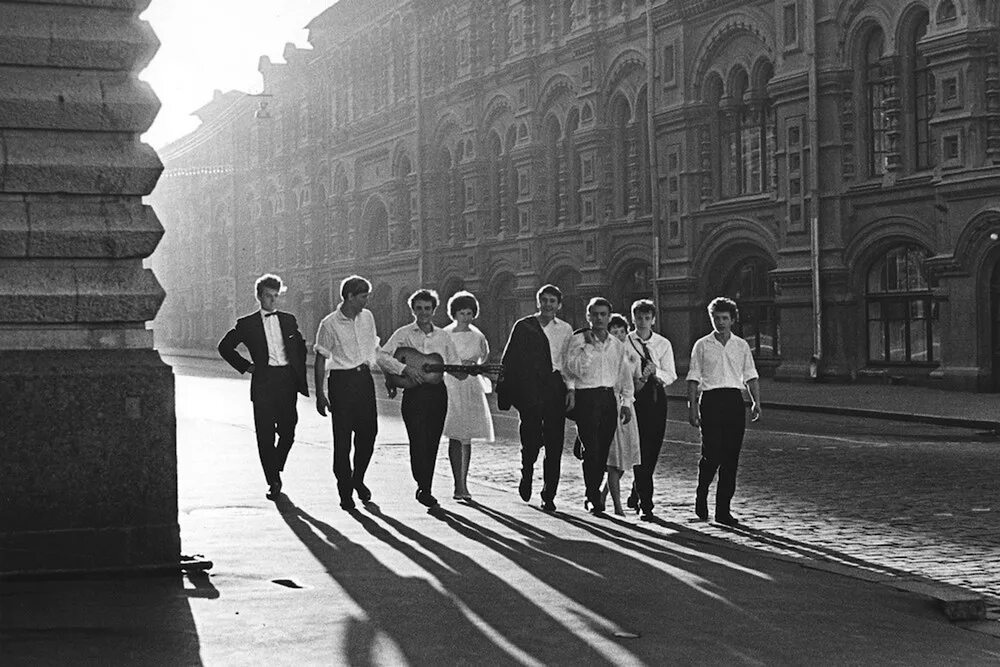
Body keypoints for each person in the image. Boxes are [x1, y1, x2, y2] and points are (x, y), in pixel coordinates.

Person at [313, 275, 405, 510]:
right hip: (341, 383)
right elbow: (321, 359)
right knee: (343, 441)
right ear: (350, 296)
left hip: (364, 380)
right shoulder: (329, 323)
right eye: (363, 296)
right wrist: (321, 394)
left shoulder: (368, 317)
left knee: (369, 434)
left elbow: (373, 349)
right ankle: (345, 491)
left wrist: (387, 376)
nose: (366, 301)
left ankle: (358, 479)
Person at [218, 274, 309, 500]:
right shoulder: (247, 324)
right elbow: (225, 347)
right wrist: (247, 366)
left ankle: (275, 466)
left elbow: (300, 346)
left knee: (288, 431)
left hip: (286, 381)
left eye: (276, 296)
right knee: (265, 435)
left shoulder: (289, 320)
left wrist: (296, 369)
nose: (272, 301)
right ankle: (273, 480)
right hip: (264, 382)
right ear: (259, 297)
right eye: (268, 296)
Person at [382, 289, 465, 508]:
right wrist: (404, 368)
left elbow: (454, 363)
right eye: (419, 308)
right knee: (417, 440)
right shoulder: (403, 333)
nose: (423, 313)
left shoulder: (443, 337)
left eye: (427, 308)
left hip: (437, 394)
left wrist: (465, 371)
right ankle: (422, 484)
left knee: (432, 441)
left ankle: (425, 487)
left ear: (434, 310)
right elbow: (381, 356)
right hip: (413, 393)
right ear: (413, 310)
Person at [496, 284, 574, 512]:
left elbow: (567, 363)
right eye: (544, 300)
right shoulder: (524, 327)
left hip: (554, 386)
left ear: (559, 305)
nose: (548, 305)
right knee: (530, 438)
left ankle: (549, 494)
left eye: (553, 301)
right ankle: (527, 470)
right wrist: (507, 390)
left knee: (554, 442)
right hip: (529, 388)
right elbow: (509, 360)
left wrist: (570, 390)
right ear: (538, 302)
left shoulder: (565, 329)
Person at [686, 296, 761, 526]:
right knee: (712, 454)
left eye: (725, 318)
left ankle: (723, 510)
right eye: (716, 318)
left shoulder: (741, 345)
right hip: (711, 400)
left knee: (731, 457)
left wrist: (756, 402)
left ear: (732, 320)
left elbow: (750, 375)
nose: (720, 323)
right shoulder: (702, 345)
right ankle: (702, 492)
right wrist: (692, 407)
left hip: (733, 401)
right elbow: (693, 378)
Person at [564, 297, 634, 515]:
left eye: (603, 314)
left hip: (607, 399)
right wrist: (589, 348)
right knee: (591, 449)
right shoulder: (578, 340)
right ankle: (592, 494)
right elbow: (571, 369)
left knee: (603, 450)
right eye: (595, 314)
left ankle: (593, 491)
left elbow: (624, 375)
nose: (599, 318)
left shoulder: (617, 345)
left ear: (609, 317)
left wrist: (626, 402)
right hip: (587, 398)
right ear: (588, 317)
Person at [624, 299, 677, 521]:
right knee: (639, 448)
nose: (643, 322)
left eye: (647, 318)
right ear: (633, 318)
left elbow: (671, 374)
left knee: (652, 449)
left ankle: (638, 487)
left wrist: (656, 373)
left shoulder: (663, 344)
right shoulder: (626, 342)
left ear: (653, 320)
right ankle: (647, 503)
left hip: (656, 397)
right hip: (635, 396)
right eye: (639, 318)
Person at [442, 291, 495, 501]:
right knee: (456, 433)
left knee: (468, 436)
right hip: (453, 385)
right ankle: (458, 484)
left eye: (469, 313)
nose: (466, 317)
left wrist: (476, 367)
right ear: (454, 313)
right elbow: (440, 358)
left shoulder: (478, 336)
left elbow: (484, 358)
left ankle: (465, 480)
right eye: (462, 313)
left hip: (471, 386)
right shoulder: (445, 335)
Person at [600, 314, 642, 516]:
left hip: (626, 407)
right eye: (613, 332)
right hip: (609, 406)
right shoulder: (604, 353)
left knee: (624, 460)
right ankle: (617, 507)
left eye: (621, 332)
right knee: (613, 460)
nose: (618, 335)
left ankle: (603, 494)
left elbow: (635, 384)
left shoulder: (632, 356)